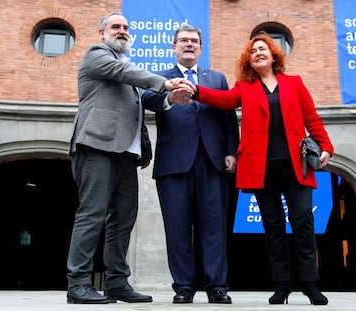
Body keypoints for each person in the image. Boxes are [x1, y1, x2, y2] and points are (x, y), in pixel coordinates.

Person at [188, 32, 334, 305]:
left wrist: (325, 145)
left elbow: (311, 118)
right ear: (249, 61)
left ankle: (310, 284)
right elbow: (223, 100)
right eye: (253, 51)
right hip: (261, 167)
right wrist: (196, 90)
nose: (258, 53)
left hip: (295, 166)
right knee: (273, 226)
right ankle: (281, 285)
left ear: (273, 54)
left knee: (303, 222)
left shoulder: (295, 83)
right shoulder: (245, 87)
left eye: (262, 49)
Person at [66, 12, 191, 304]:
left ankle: (116, 282)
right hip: (97, 146)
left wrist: (168, 100)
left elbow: (141, 102)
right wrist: (166, 83)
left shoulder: (126, 68)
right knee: (92, 214)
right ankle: (79, 283)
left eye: (125, 27)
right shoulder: (98, 55)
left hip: (126, 154)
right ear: (102, 33)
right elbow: (128, 76)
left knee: (123, 219)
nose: (122, 31)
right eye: (115, 27)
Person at [141, 24, 239, 304]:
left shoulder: (216, 78)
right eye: (183, 41)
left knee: (214, 227)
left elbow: (228, 118)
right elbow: (147, 99)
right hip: (174, 164)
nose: (189, 45)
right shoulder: (160, 77)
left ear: (200, 47)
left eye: (194, 41)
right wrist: (169, 98)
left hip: (212, 161)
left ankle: (217, 286)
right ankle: (183, 286)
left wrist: (231, 151)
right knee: (177, 227)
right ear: (173, 47)